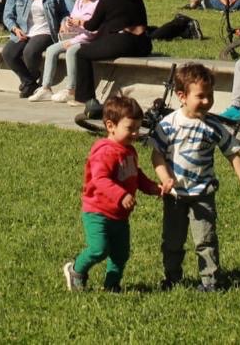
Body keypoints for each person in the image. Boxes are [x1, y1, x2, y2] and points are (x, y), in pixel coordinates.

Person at [150, 63, 240, 292]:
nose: (207, 101)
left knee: (206, 240)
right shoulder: (168, 125)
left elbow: (233, 154)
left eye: (210, 95)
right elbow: (157, 155)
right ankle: (172, 278)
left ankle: (210, 281)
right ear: (182, 96)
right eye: (200, 96)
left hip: (203, 194)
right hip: (175, 195)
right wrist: (166, 178)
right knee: (172, 241)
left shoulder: (214, 126)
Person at [62, 95, 168, 292]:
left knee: (120, 254)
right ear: (110, 126)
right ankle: (76, 270)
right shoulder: (105, 152)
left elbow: (135, 174)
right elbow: (100, 179)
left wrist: (152, 187)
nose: (135, 133)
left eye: (138, 128)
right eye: (130, 128)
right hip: (97, 212)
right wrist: (121, 195)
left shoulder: (129, 150)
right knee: (98, 249)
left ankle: (112, 285)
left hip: (120, 215)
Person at [73, 0, 152, 119]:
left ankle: (87, 98)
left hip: (122, 42)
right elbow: (144, 23)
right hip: (142, 44)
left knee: (82, 53)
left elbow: (92, 25)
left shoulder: (107, 0)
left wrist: (80, 22)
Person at [31, 0, 101, 103]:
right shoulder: (78, 2)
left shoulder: (98, 4)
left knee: (71, 51)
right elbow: (73, 21)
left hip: (88, 40)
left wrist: (74, 37)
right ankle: (46, 88)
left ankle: (71, 90)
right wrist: (67, 24)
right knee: (51, 50)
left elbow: (94, 31)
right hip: (75, 37)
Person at [1, 0, 69, 97]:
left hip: (45, 31)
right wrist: (15, 29)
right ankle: (30, 82)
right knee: (8, 53)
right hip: (23, 31)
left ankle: (29, 81)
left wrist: (63, 23)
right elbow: (7, 16)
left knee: (29, 51)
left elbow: (64, 13)